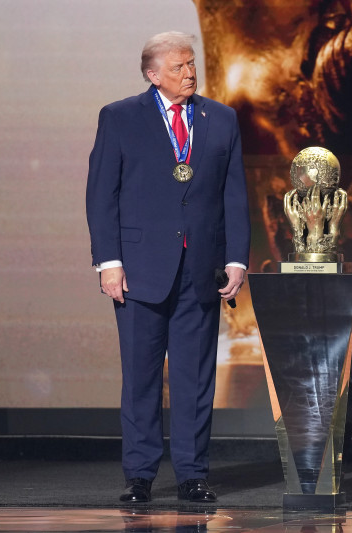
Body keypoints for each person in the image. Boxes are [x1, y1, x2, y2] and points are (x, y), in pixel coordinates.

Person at [86, 31, 250, 503]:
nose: (189, 73)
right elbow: (102, 196)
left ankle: (192, 474)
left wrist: (236, 258)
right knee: (140, 376)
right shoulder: (119, 118)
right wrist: (108, 262)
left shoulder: (221, 119)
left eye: (191, 64)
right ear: (152, 74)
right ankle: (139, 474)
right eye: (178, 66)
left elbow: (233, 195)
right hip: (138, 270)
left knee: (195, 379)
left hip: (200, 268)